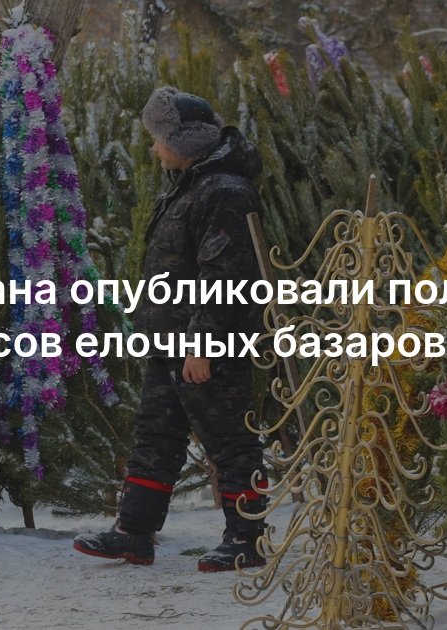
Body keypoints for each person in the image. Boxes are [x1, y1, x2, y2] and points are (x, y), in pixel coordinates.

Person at [73, 87, 267, 572]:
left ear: (185, 142)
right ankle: (134, 533)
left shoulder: (225, 192)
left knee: (229, 439)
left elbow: (226, 277)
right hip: (169, 340)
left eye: (159, 138)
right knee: (155, 434)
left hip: (208, 343)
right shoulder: (186, 184)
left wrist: (204, 345)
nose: (154, 147)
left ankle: (246, 538)